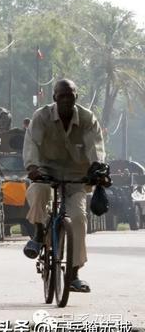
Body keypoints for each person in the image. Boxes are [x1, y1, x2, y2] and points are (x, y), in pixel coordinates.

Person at [22, 79, 106, 293]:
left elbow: (95, 146)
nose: (67, 100)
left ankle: (74, 274)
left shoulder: (87, 118)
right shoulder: (42, 116)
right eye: (62, 96)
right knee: (38, 192)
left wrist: (97, 168)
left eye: (71, 96)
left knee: (78, 218)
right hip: (46, 173)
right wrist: (32, 166)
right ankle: (39, 233)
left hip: (77, 177)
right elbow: (32, 142)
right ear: (55, 98)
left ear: (76, 97)